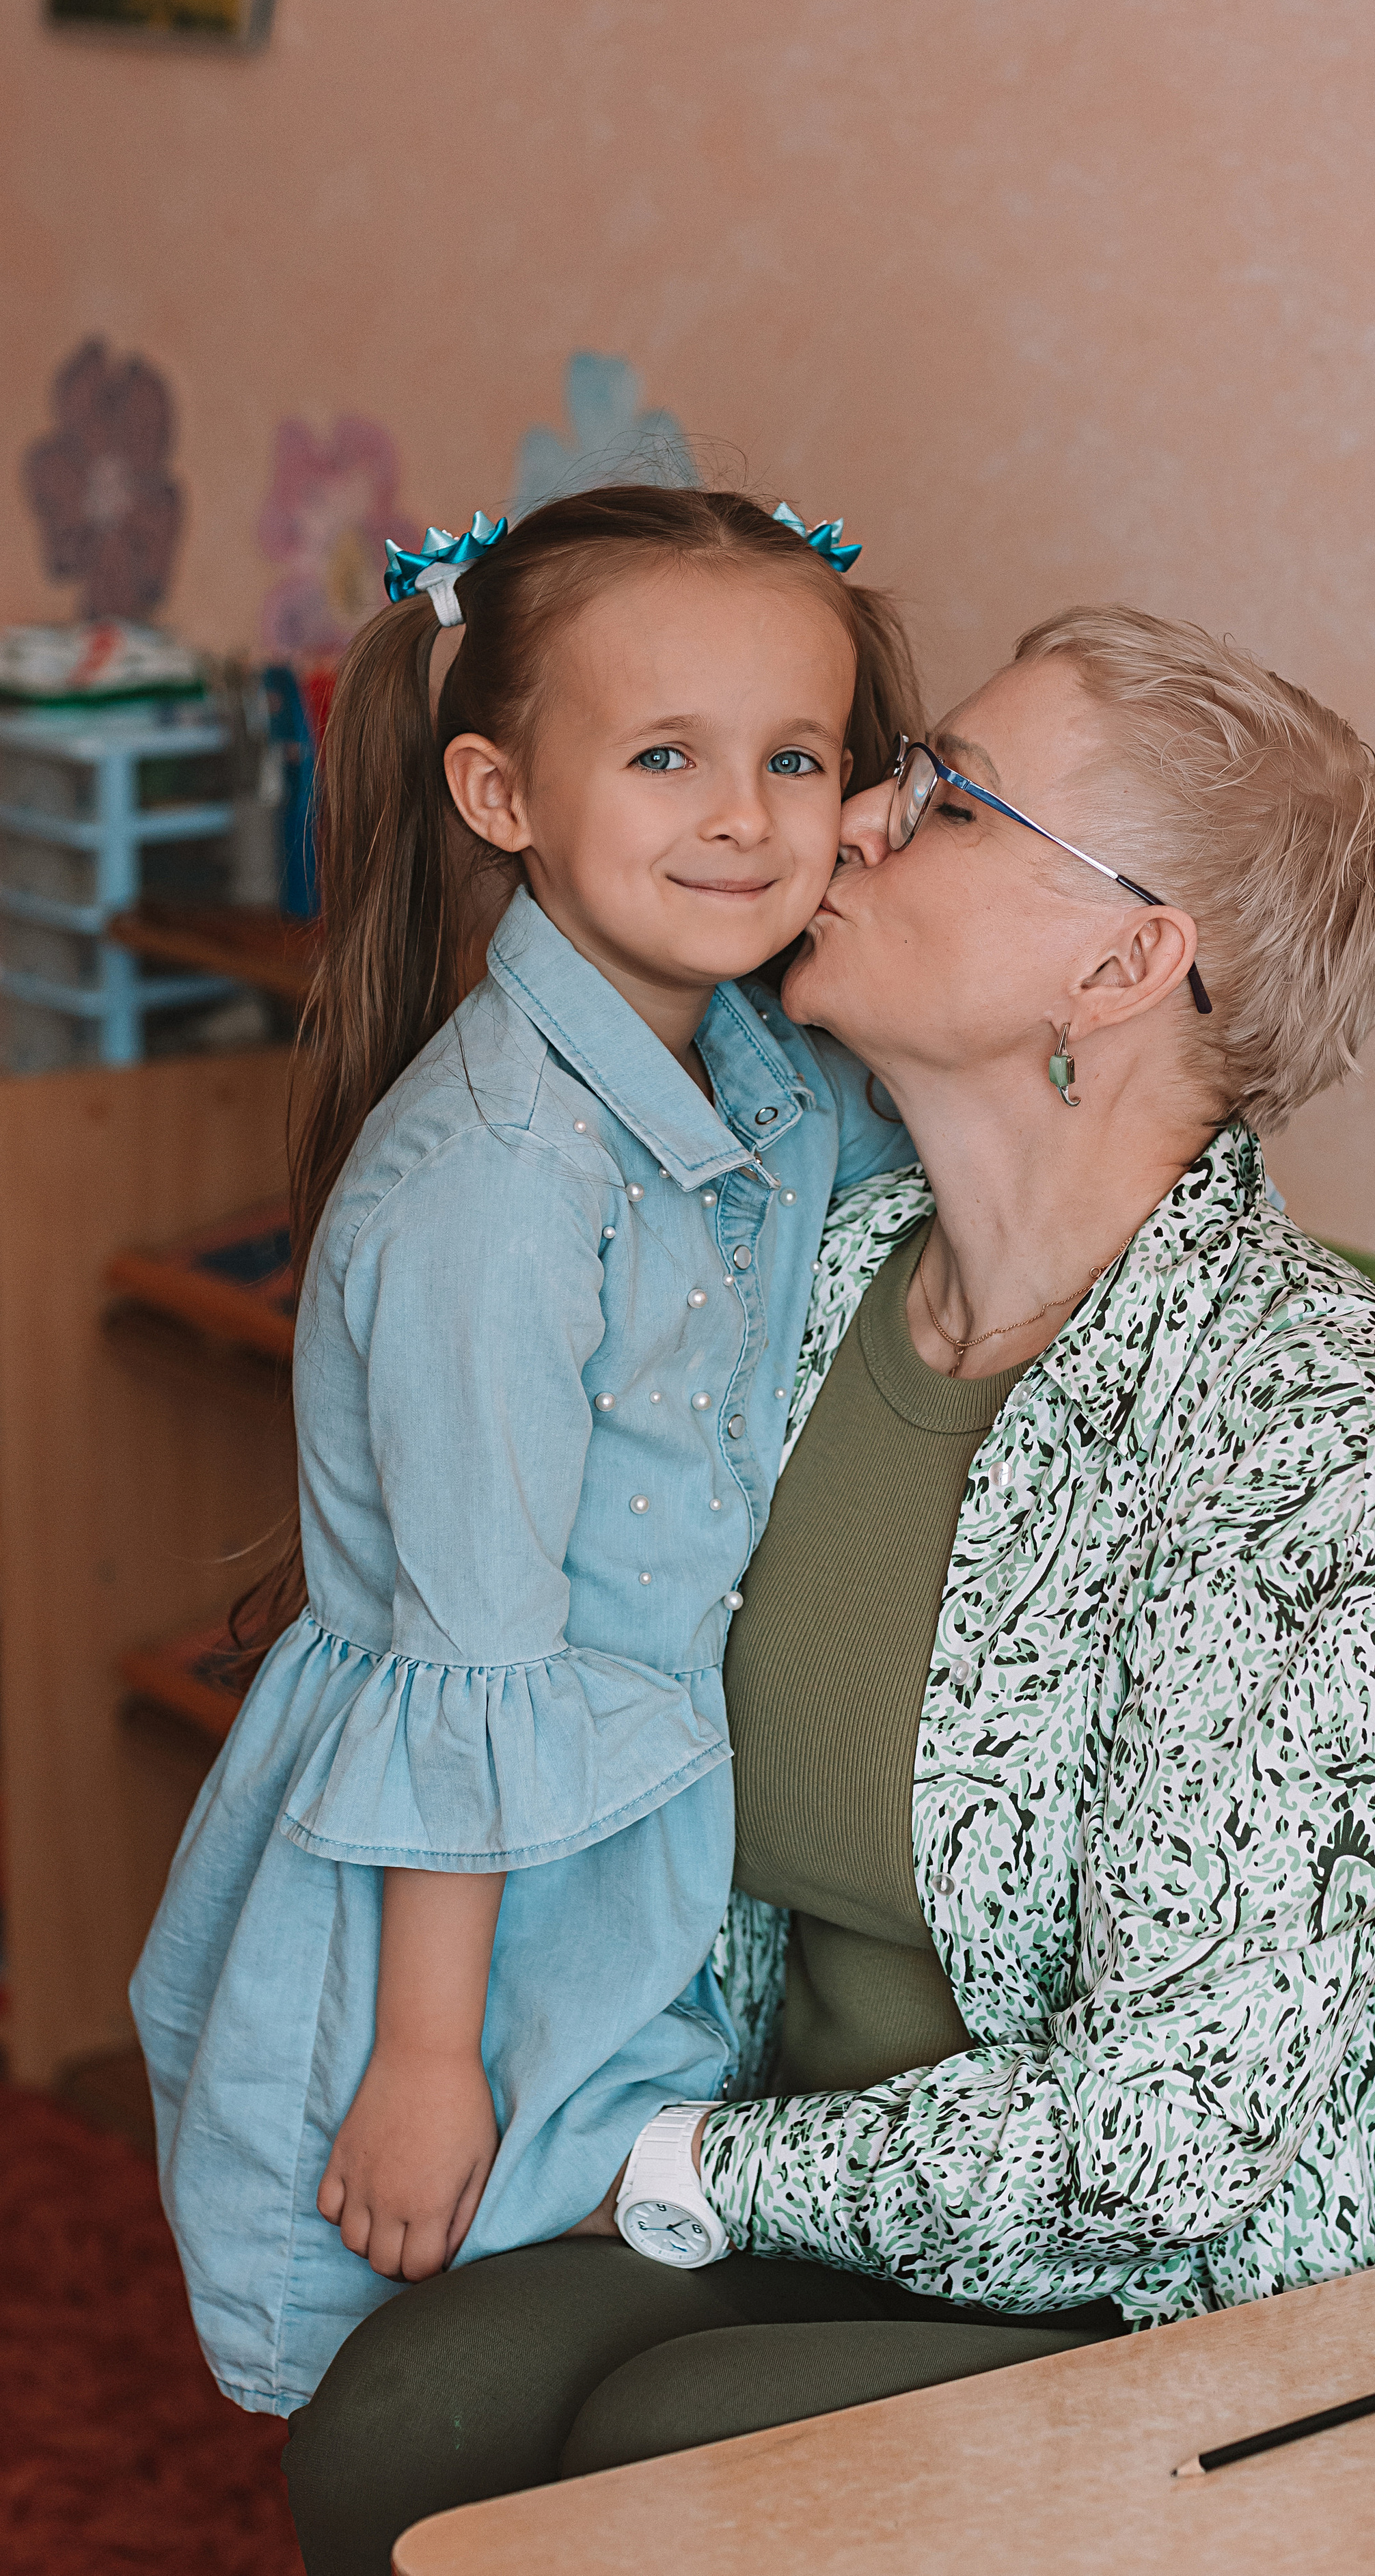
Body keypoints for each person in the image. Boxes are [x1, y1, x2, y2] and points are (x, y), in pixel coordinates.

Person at [283, 605, 1375, 2575]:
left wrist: (689, 2166)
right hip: (821, 2184)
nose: (857, 820)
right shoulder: (803, 1265)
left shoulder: (1316, 1430)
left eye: (948, 800)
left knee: (670, 2465)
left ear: (1129, 960)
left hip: (1233, 2284)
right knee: (404, 2425)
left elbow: (1168, 2140)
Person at [128, 486, 923, 2416]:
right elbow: (465, 1659)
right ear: (502, 798)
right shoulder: (497, 1180)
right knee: (420, 2290)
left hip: (632, 1836)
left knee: (599, 2278)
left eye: (796, 760)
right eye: (667, 758)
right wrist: (423, 2050)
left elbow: (988, 1210)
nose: (745, 818)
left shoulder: (764, 1076)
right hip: (464, 1888)